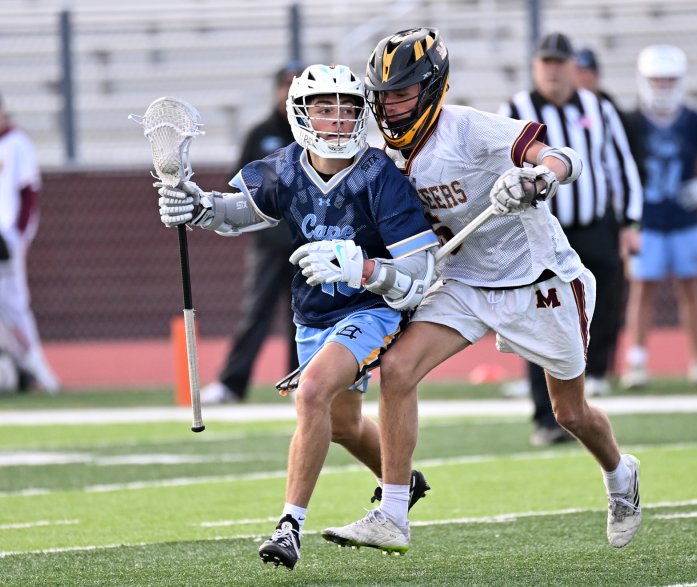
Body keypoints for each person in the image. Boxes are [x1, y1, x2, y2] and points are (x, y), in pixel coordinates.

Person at [320, 27, 641, 553]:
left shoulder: (465, 128)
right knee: (397, 370)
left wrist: (537, 179)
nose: (391, 107)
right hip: (465, 280)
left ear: (430, 89)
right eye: (383, 96)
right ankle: (393, 513)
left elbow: (562, 156)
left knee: (570, 413)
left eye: (402, 93)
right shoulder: (383, 156)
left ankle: (619, 474)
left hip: (536, 278)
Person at [155, 64, 439, 570]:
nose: (337, 119)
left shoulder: (381, 177)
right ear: (301, 113)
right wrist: (194, 205)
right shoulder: (284, 168)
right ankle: (402, 476)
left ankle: (289, 527)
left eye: (348, 108)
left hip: (370, 309)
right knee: (344, 423)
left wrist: (364, 268)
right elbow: (236, 212)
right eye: (325, 108)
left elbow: (420, 273)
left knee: (312, 393)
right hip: (313, 311)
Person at [497, 32, 642, 445]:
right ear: (535, 66)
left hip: (594, 225)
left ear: (574, 67)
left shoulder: (599, 107)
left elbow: (620, 164)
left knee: (606, 297)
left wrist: (630, 223)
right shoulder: (516, 110)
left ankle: (594, 377)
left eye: (561, 62)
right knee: (539, 313)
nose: (554, 70)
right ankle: (546, 415)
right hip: (542, 233)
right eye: (547, 62)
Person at [620, 45, 697, 390]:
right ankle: (636, 363)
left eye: (669, 80)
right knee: (642, 290)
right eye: (657, 80)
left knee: (691, 289)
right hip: (646, 220)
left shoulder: (692, 120)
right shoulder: (631, 121)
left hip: (685, 219)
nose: (663, 87)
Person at [200, 63, 302, 404]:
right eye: (286, 84)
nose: (290, 91)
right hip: (268, 242)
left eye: (296, 84)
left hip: (306, 240)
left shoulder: (312, 133)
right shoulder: (260, 134)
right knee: (255, 312)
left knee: (303, 313)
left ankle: (298, 381)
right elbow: (239, 183)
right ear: (276, 90)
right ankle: (232, 383)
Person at [0, 92, 59, 394]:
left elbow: (28, 193)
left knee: (14, 305)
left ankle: (37, 369)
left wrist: (19, 236)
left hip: (5, 238)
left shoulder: (17, 143)